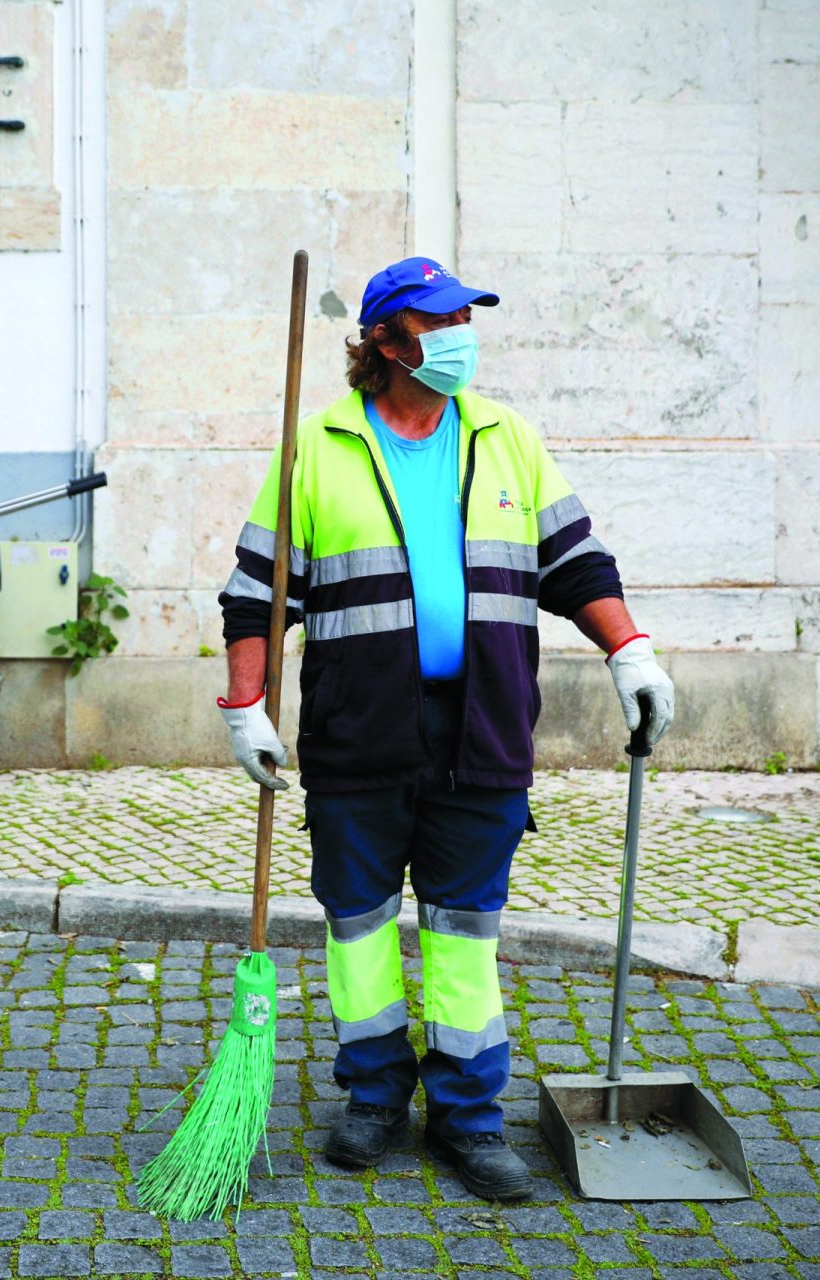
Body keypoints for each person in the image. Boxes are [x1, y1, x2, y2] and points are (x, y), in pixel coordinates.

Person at [215, 257, 676, 1201]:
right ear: (385, 341)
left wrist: (630, 650)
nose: (462, 331)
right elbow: (255, 595)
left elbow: (577, 563)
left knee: (465, 931)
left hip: (483, 728)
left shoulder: (509, 437)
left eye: (467, 314)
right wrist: (245, 707)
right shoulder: (319, 446)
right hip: (357, 728)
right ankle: (374, 1096)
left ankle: (469, 1117)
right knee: (361, 926)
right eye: (441, 319)